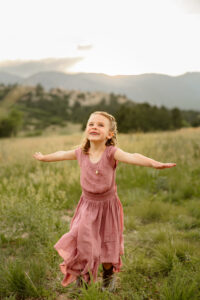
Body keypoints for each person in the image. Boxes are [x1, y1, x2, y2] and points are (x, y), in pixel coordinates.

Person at [33, 111, 176, 292]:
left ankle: (108, 277)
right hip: (87, 206)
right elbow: (61, 154)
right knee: (83, 243)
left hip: (107, 207)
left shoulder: (111, 153)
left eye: (100, 125)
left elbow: (133, 156)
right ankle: (83, 279)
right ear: (86, 130)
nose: (94, 127)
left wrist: (153, 163)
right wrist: (44, 157)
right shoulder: (80, 152)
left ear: (110, 134)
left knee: (108, 246)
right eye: (91, 124)